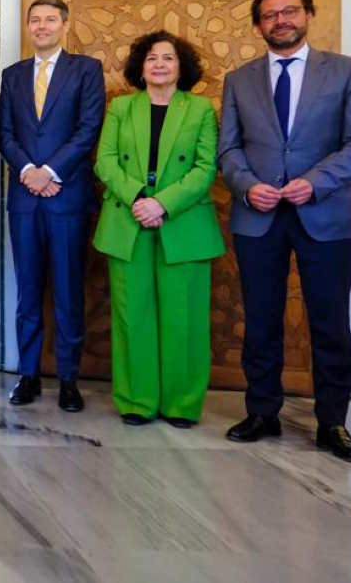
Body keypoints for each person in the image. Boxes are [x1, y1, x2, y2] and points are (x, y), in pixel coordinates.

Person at [219, 0, 351, 463]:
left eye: (289, 11)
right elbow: (229, 148)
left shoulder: (348, 71)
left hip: (323, 215)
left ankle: (333, 421)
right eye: (269, 15)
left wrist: (315, 181)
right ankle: (262, 410)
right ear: (257, 25)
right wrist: (246, 185)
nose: (280, 20)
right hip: (258, 217)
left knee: (329, 321)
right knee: (260, 318)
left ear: (308, 14)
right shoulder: (239, 79)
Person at [92, 31, 224, 427]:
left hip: (182, 223)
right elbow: (105, 160)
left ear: (181, 67)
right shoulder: (121, 108)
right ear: (141, 67)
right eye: (151, 58)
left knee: (184, 318)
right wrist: (138, 198)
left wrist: (162, 204)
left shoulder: (200, 110)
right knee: (133, 315)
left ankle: (182, 404)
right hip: (127, 220)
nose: (159, 64)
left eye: (168, 58)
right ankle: (136, 400)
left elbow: (206, 168)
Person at [0, 0, 104, 412]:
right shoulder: (13, 75)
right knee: (27, 291)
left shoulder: (86, 70)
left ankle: (68, 379)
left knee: (67, 290)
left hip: (66, 197)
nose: (41, 26)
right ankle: (28, 374)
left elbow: (88, 127)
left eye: (49, 19)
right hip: (25, 199)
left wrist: (51, 172)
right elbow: (5, 132)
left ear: (64, 25)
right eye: (35, 20)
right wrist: (28, 172)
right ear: (28, 27)